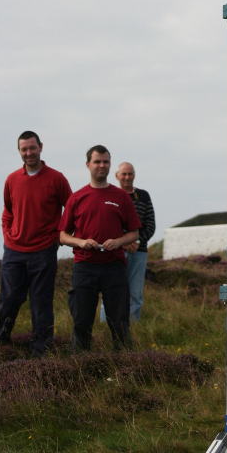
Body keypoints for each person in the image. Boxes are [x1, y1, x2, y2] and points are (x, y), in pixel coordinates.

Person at [59, 145, 141, 351]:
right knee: (81, 321)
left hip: (114, 266)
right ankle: (79, 366)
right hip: (84, 266)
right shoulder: (76, 198)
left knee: (120, 321)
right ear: (88, 165)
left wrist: (118, 241)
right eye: (97, 162)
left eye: (105, 161)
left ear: (110, 164)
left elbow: (134, 233)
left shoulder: (121, 197)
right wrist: (81, 242)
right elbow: (62, 235)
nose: (101, 165)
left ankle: (126, 366)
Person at [0, 131, 72, 355]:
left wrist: (58, 237)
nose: (28, 153)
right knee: (8, 299)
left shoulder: (57, 178)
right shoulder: (11, 179)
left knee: (41, 303)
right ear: (19, 151)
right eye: (24, 149)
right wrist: (7, 234)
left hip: (43, 251)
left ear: (40, 147)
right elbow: (7, 212)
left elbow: (71, 210)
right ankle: (1, 342)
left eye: (32, 148)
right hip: (14, 251)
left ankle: (40, 352)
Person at [99, 162, 155, 324]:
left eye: (130, 174)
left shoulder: (144, 196)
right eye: (123, 174)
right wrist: (122, 242)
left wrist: (137, 241)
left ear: (134, 175)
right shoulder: (110, 195)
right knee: (110, 291)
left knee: (136, 294)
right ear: (116, 176)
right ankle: (105, 327)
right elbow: (107, 224)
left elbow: (150, 225)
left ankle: (132, 327)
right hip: (115, 252)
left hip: (139, 252)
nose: (127, 177)